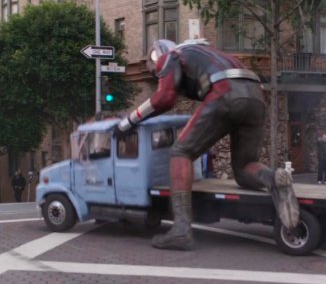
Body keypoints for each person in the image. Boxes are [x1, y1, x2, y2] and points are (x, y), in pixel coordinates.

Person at [117, 39, 299, 250]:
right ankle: (274, 178)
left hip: (224, 92)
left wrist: (128, 121)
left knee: (181, 152)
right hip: (255, 97)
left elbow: (164, 98)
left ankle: (181, 229)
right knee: (245, 167)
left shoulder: (171, 56)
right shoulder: (213, 53)